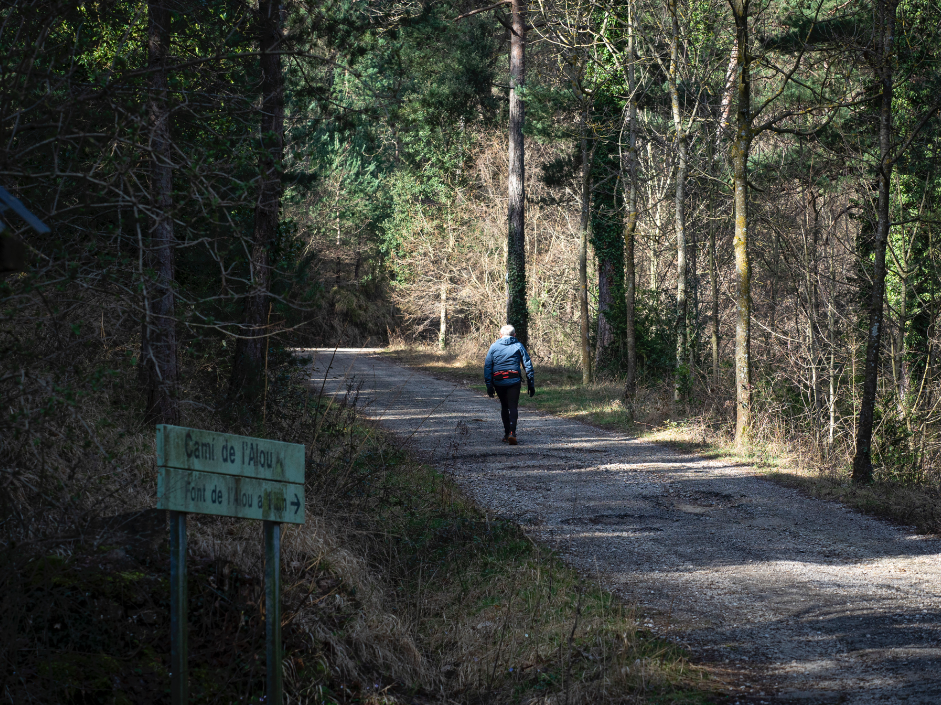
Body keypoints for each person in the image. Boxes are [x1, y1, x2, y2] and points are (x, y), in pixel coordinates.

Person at [484, 324, 535, 445]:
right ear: (514, 335)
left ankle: (507, 434)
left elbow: (488, 366)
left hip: (499, 380)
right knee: (513, 406)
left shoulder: (494, 346)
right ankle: (513, 432)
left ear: (500, 335)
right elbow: (527, 365)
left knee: (504, 406)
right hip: (513, 380)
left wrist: (489, 385)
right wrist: (530, 383)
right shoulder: (518, 346)